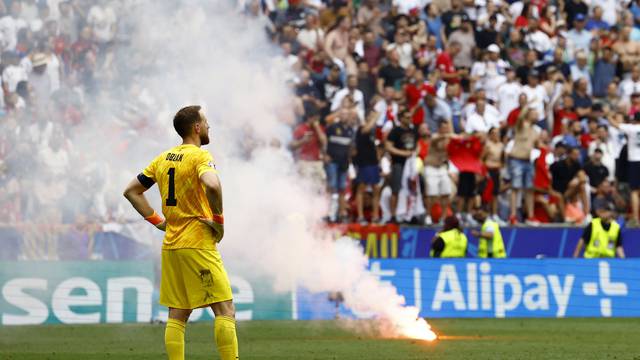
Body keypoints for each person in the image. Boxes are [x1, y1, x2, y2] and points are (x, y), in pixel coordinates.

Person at [122, 106, 238, 360]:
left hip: (172, 244)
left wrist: (157, 221)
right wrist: (218, 220)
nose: (209, 127)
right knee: (224, 309)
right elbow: (212, 184)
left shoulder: (163, 158)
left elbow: (131, 191)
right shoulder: (200, 157)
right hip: (197, 242)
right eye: (206, 122)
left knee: (178, 313)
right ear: (196, 127)